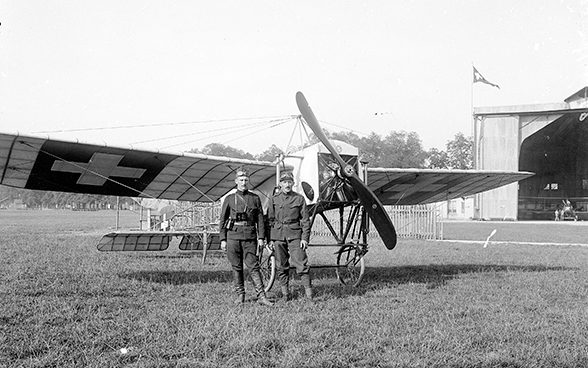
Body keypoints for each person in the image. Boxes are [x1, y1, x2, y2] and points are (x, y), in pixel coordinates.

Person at [219, 167, 273, 306]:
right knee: (236, 267)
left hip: (250, 237)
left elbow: (260, 219)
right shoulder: (229, 199)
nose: (243, 182)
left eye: (246, 180)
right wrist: (223, 239)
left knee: (254, 267)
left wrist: (261, 237)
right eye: (241, 180)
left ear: (248, 181)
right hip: (233, 237)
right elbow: (223, 220)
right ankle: (240, 295)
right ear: (236, 181)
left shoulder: (254, 198)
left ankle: (262, 296)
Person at [267, 171, 312, 301]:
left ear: (293, 183)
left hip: (295, 235)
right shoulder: (274, 199)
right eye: (284, 182)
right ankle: (285, 295)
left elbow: (305, 220)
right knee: (281, 266)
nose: (287, 184)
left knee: (302, 265)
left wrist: (304, 238)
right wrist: (270, 239)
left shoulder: (299, 198)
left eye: (289, 182)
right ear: (280, 184)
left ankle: (309, 296)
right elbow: (270, 220)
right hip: (278, 235)